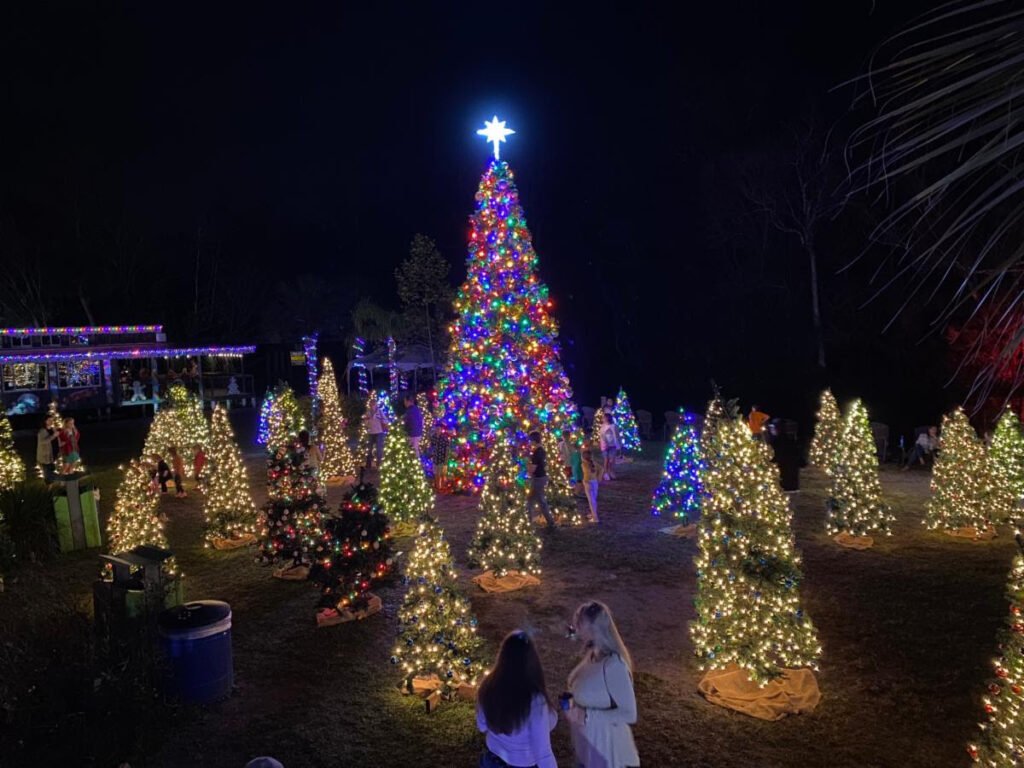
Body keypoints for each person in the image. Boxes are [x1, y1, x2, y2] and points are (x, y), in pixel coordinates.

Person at [565, 601, 639, 768]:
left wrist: (587, 716)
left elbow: (629, 713)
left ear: (593, 628)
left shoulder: (615, 666)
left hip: (609, 753)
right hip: (588, 749)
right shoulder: (592, 655)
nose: (575, 628)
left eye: (579, 624)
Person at [476, 631, 558, 768]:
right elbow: (543, 753)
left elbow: (482, 725)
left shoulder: (487, 686)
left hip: (492, 761)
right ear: (532, 661)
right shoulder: (535, 701)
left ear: (502, 656)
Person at [527, 431, 555, 529]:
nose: (529, 443)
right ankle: (549, 521)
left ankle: (549, 522)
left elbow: (533, 467)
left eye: (530, 441)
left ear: (533, 441)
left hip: (538, 478)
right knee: (534, 500)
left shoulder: (537, 452)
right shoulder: (542, 450)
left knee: (538, 501)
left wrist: (528, 472)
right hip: (542, 477)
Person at [580, 437, 600, 523]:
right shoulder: (593, 463)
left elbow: (587, 474)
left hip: (588, 482)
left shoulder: (584, 464)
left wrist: (586, 481)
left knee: (591, 501)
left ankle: (595, 518)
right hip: (595, 482)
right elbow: (602, 469)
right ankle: (593, 513)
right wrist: (598, 478)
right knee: (594, 499)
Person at [36, 415, 60, 483]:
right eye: (49, 420)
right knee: (47, 471)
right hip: (45, 454)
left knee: (52, 469)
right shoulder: (42, 431)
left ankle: (52, 484)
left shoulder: (52, 429)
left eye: (52, 420)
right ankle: (49, 487)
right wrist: (53, 436)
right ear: (45, 421)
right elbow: (43, 442)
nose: (51, 422)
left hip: (52, 453)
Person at [364, 399, 386, 469]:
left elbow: (385, 420)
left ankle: (379, 464)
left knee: (379, 449)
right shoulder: (368, 412)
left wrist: (381, 419)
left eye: (374, 404)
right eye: (371, 404)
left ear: (376, 405)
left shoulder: (380, 411)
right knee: (369, 449)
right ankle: (368, 465)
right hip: (371, 433)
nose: (372, 406)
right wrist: (368, 421)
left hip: (379, 432)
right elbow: (366, 423)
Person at [600, 413, 618, 481]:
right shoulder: (602, 426)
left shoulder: (613, 426)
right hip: (605, 445)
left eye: (604, 417)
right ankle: (605, 473)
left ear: (607, 418)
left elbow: (616, 435)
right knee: (606, 459)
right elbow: (602, 435)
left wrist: (618, 445)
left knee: (611, 459)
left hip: (612, 445)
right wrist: (605, 443)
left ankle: (610, 471)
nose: (603, 419)